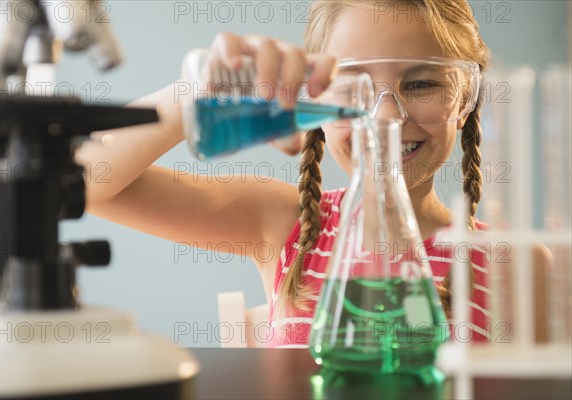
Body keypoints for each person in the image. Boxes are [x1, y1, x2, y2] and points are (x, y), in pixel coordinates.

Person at [76, 0, 547, 347]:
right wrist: (193, 91)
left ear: (466, 101)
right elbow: (84, 183)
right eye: (353, 87)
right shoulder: (286, 225)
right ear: (313, 101)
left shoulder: (518, 264)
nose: (386, 118)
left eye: (421, 83)